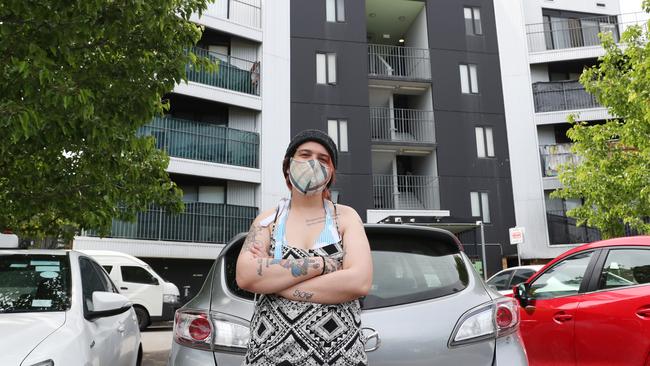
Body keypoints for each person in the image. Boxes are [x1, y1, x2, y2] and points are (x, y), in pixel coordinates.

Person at [236, 129, 373, 366]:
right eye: (305, 154)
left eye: (322, 159)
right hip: (270, 356)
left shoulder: (346, 217)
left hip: (339, 356)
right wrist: (322, 265)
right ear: (288, 166)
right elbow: (246, 275)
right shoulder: (266, 222)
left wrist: (277, 284)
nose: (313, 163)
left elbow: (359, 281)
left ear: (331, 172)